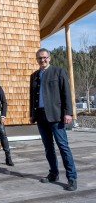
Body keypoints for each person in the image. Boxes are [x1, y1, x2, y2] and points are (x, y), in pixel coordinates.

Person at [30, 48, 77, 191]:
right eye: (39, 58)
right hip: (40, 115)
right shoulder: (34, 75)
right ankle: (53, 173)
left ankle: (72, 177)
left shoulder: (58, 71)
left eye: (44, 57)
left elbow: (66, 93)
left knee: (63, 146)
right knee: (48, 147)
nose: (42, 60)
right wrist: (32, 114)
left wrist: (68, 112)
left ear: (49, 58)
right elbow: (33, 97)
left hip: (56, 116)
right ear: (36, 59)